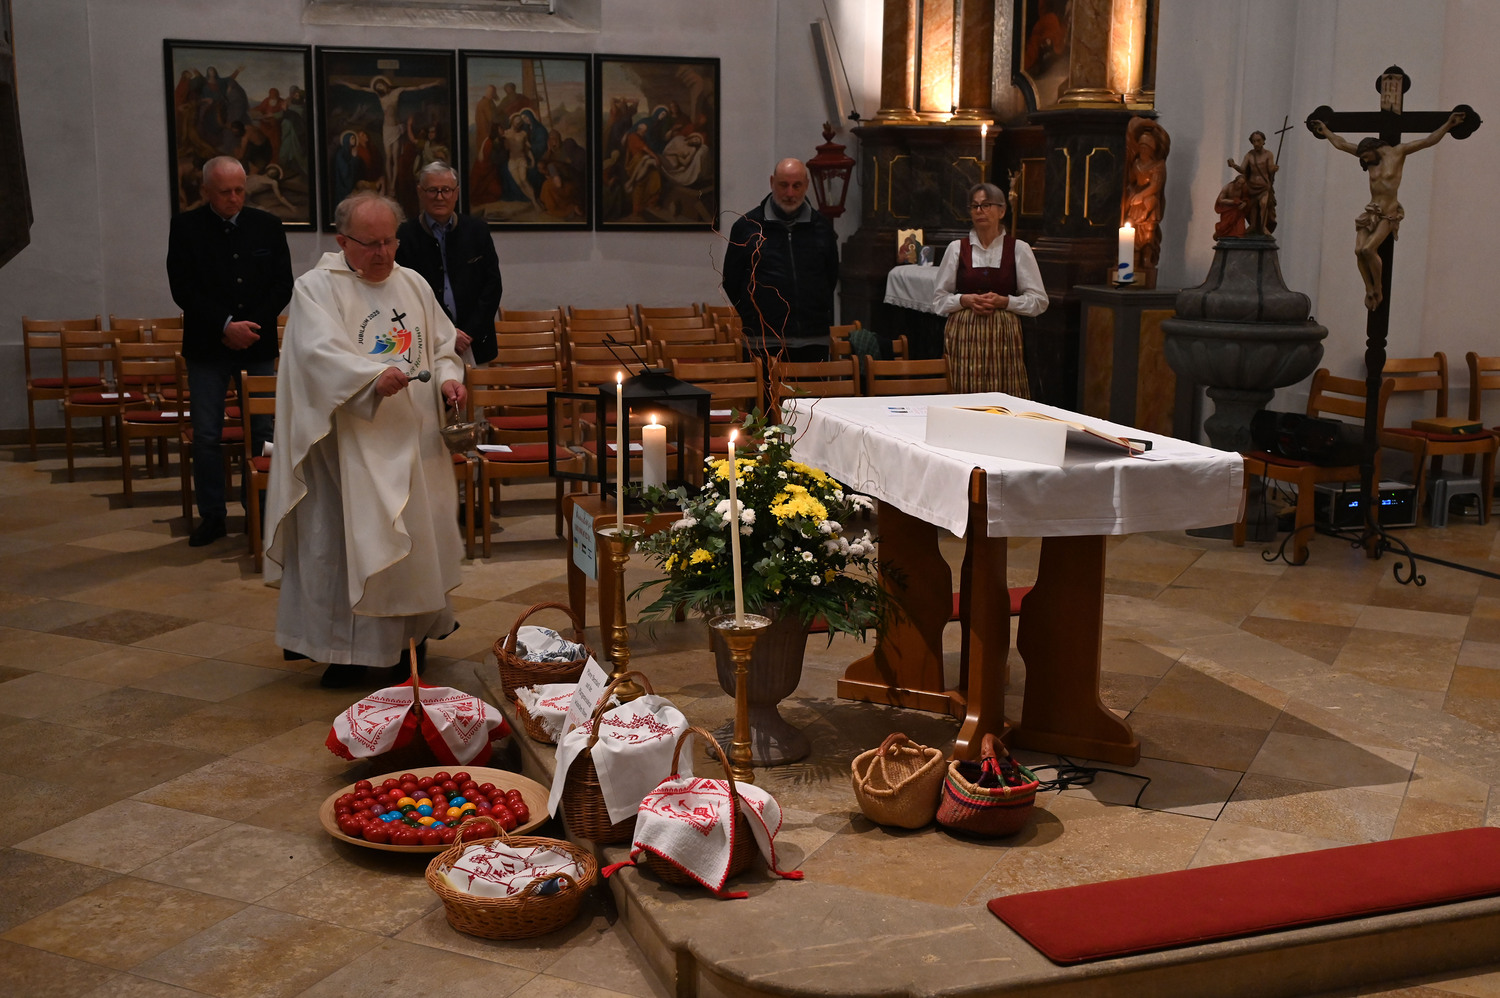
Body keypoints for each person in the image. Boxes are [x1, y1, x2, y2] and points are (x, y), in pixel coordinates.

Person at [263, 191, 467, 688]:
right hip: (351, 444)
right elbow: (317, 356)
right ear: (342, 241)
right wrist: (370, 379)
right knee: (349, 543)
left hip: (414, 440)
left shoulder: (412, 282)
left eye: (390, 241)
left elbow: (442, 345)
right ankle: (349, 653)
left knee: (417, 540)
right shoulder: (316, 289)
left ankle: (412, 640)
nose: (383, 253)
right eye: (371, 244)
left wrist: (448, 379)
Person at [166, 155, 293, 547]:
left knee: (263, 431)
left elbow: (282, 284)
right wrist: (224, 325)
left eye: (239, 190)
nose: (234, 198)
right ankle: (212, 516)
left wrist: (248, 327)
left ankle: (261, 511)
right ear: (206, 191)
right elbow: (183, 288)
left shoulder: (267, 226)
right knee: (206, 435)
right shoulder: (186, 227)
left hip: (256, 345)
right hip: (208, 347)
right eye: (225, 192)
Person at [1310, 110, 1465, 310]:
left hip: (1388, 213)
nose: (1365, 161)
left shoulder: (1398, 152)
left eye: (1366, 157)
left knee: (1368, 249)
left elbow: (1428, 141)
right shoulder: (1367, 156)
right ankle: (1369, 289)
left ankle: (1378, 288)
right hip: (1371, 211)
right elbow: (1342, 144)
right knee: (1358, 251)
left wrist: (1449, 124)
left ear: (1373, 148)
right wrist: (1325, 131)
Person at [932, 182, 1049, 396]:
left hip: (1003, 336)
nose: (980, 211)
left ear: (1001, 211)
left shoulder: (1019, 249)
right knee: (963, 390)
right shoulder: (956, 249)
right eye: (974, 206)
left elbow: (1039, 301)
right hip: (964, 335)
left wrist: (1005, 301)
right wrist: (964, 300)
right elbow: (938, 301)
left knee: (1003, 392)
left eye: (986, 205)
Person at [722, 158, 840, 362]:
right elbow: (731, 281)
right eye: (784, 185)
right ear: (772, 183)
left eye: (797, 186)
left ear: (807, 185)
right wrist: (754, 314)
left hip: (813, 339)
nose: (790, 193)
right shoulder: (747, 227)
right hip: (763, 342)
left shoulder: (822, 227)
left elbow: (830, 277)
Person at [395, 161, 503, 364]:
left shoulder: (477, 230)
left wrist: (469, 333)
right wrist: (447, 333)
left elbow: (492, 286)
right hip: (427, 344)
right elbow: (404, 294)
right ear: (420, 192)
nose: (439, 197)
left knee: (477, 388)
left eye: (446, 190)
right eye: (432, 190)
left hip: (475, 343)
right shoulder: (404, 235)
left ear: (456, 193)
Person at [1226, 130, 1277, 235]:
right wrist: (1233, 165)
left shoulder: (1268, 154)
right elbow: (1243, 169)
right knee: (1252, 207)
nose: (1256, 143)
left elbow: (1270, 168)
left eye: (1258, 140)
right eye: (1254, 141)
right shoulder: (1249, 155)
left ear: (1263, 141)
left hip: (1264, 186)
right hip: (1252, 186)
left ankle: (1263, 227)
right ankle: (1253, 226)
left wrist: (1274, 169)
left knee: (1263, 204)